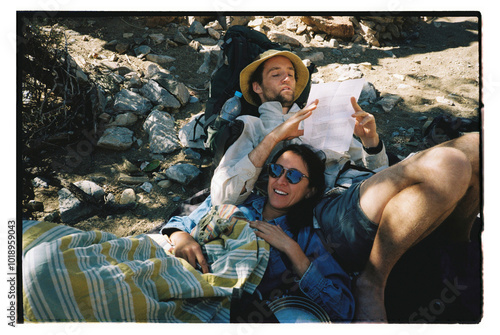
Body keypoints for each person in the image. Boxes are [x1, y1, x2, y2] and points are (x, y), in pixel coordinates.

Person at [209, 49, 480, 322]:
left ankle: (456, 253)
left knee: (477, 149)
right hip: (326, 208)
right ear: (257, 87)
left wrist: (371, 143)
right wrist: (275, 136)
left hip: (360, 190)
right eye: (275, 74)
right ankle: (372, 282)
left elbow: (381, 173)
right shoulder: (251, 126)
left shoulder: (319, 116)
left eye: (290, 74)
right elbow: (223, 194)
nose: (286, 79)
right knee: (449, 163)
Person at [162, 144, 355, 322]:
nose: (281, 181)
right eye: (276, 170)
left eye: (294, 176)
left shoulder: (306, 239)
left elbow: (343, 309)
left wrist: (292, 250)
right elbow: (181, 221)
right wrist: (181, 238)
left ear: (310, 191)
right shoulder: (240, 198)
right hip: (179, 273)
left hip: (220, 306)